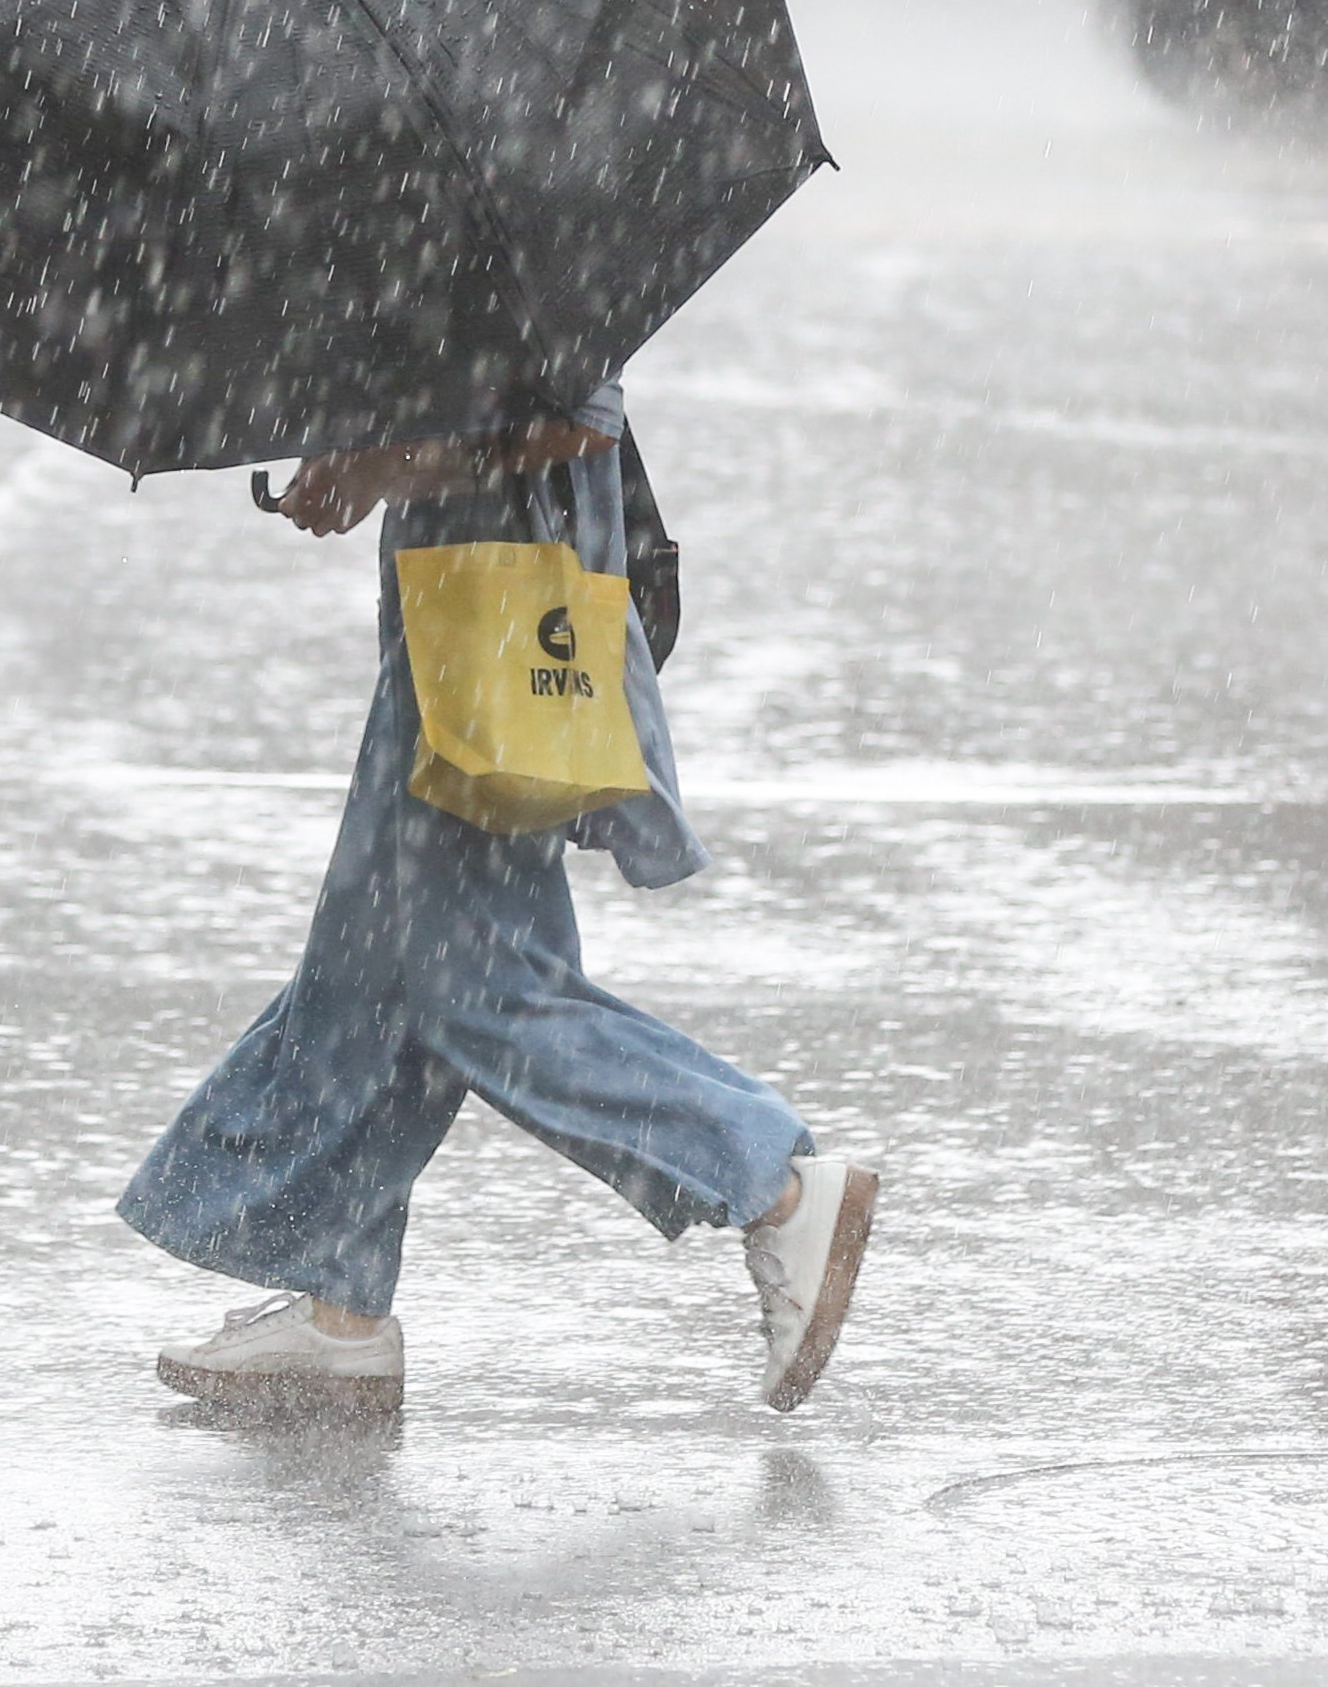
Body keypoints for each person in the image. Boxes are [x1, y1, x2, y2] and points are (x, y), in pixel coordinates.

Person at [117, 387, 877, 1418]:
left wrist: (375, 469)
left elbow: (568, 416)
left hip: (496, 602)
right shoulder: (465, 243)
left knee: (472, 983)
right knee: (373, 963)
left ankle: (766, 1182)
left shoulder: (511, 248)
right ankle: (340, 1314)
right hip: (466, 589)